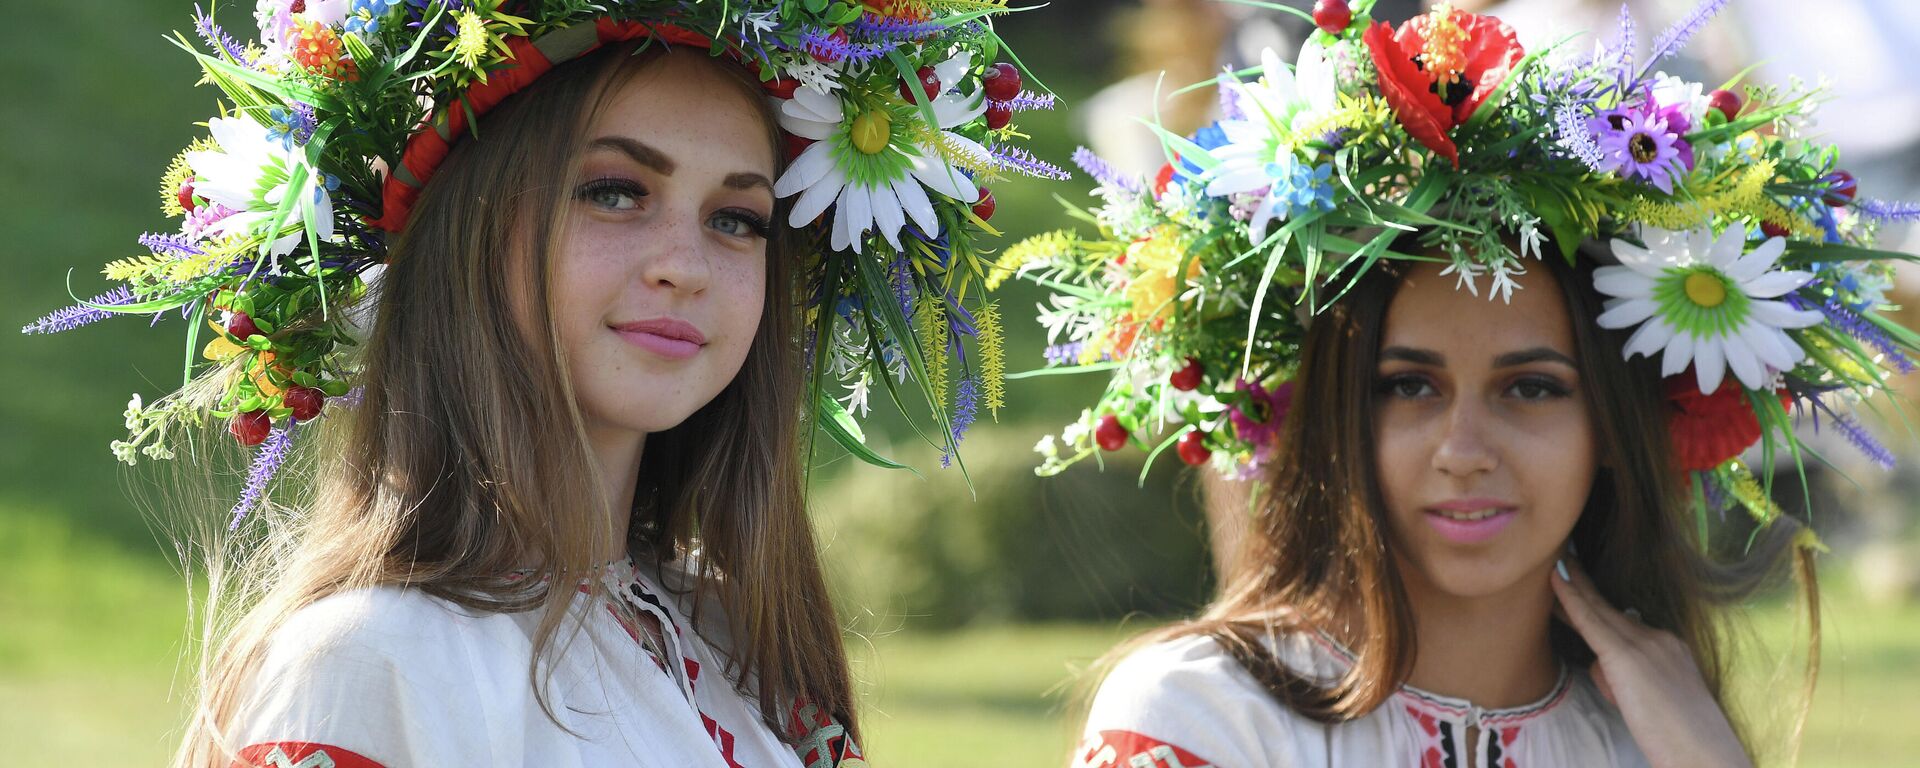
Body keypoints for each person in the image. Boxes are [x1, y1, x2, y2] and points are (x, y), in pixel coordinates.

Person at [19, 2, 1057, 766]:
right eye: (615, 192)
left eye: (737, 217)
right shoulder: (373, 665)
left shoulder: (732, 642)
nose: (684, 263)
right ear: (469, 234)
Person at [1000, 1, 1920, 765]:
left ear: (1614, 426)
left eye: (1531, 389)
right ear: (1334, 415)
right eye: (1407, 387)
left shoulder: (1650, 734)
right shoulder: (1201, 718)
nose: (1463, 451)